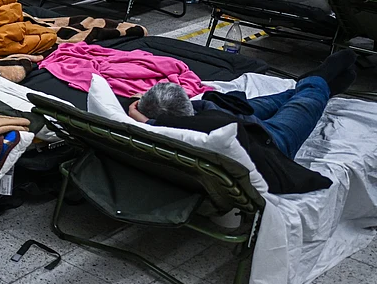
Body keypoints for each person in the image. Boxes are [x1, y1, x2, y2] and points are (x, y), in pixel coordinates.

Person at [127, 50, 355, 193]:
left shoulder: (169, 125)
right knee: (303, 104)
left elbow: (163, 121)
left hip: (229, 116)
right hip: (267, 139)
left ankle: (310, 85)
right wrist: (146, 120)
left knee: (277, 100)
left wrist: (142, 118)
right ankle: (318, 83)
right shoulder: (200, 128)